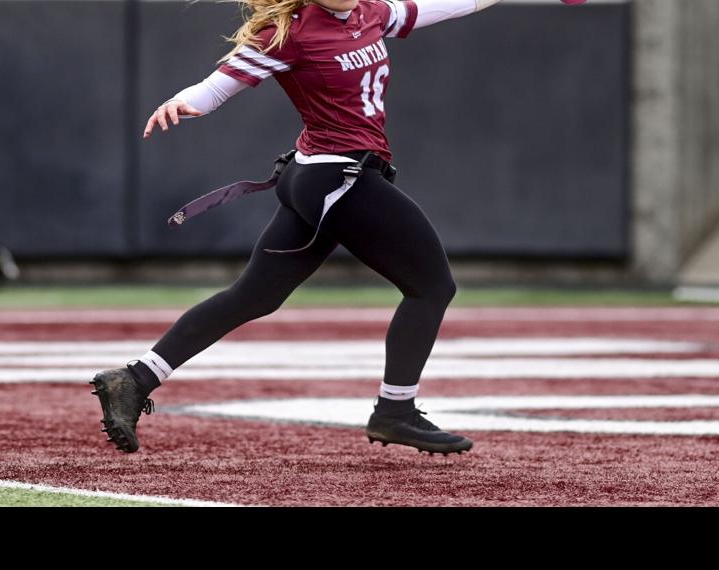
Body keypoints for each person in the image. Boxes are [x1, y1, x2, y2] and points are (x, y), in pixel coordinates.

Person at [91, 0, 518, 456]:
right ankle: (395, 411)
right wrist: (183, 102)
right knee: (432, 287)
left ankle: (133, 380)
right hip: (337, 179)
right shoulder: (291, 32)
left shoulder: (372, 12)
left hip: (320, 177)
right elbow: (216, 88)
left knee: (254, 296)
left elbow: (451, 5)